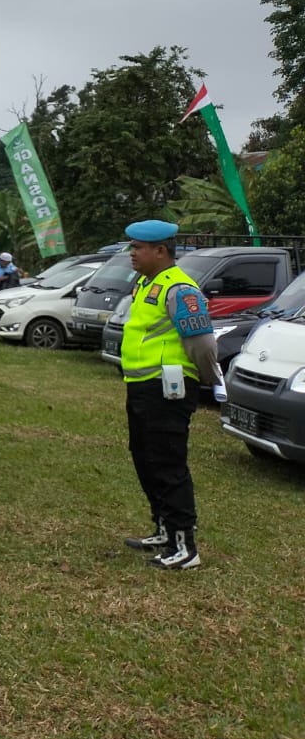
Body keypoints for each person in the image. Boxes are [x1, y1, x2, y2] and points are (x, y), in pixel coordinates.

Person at [118, 219, 220, 570]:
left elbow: (204, 343)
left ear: (160, 251)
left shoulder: (180, 289)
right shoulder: (147, 283)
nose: (131, 253)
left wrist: (209, 381)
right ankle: (164, 529)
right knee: (144, 457)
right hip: (143, 386)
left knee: (167, 463)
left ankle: (185, 546)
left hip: (168, 390)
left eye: (137, 248)